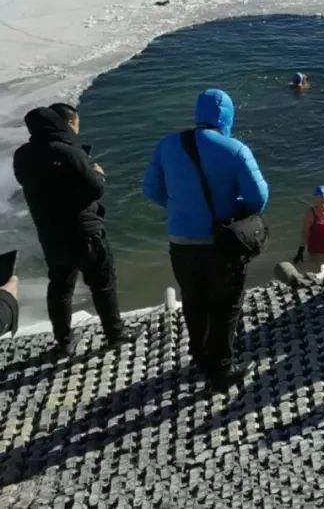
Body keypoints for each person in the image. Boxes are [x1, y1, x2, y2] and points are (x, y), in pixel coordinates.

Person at [143, 89, 270, 391]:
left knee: (194, 302)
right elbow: (258, 198)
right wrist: (233, 208)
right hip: (221, 244)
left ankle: (200, 357)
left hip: (181, 242)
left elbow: (150, 189)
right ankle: (221, 371)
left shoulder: (168, 145)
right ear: (227, 116)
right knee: (226, 307)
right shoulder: (235, 149)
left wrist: (180, 208)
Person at [13, 103, 133, 356]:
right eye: (76, 123)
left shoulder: (23, 155)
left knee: (60, 286)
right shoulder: (69, 152)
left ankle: (64, 340)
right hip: (84, 230)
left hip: (50, 233)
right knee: (102, 283)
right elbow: (95, 189)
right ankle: (115, 334)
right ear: (67, 124)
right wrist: (97, 173)